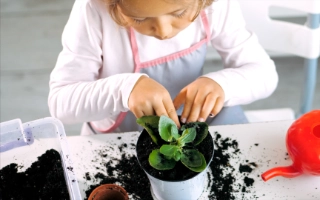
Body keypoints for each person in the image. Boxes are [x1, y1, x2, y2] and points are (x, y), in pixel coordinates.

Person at [48, 0, 278, 135]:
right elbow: (61, 103)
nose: (164, 31)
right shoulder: (93, 10)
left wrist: (221, 84)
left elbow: (265, 74)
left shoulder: (217, 7)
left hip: (190, 125)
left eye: (178, 13)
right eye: (139, 19)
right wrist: (125, 90)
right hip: (119, 134)